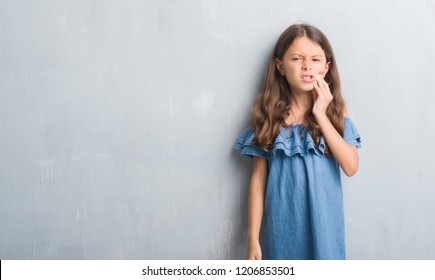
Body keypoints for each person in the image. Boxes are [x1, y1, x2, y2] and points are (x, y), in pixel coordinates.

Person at [235, 23, 361, 260]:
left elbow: (351, 166)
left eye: (315, 59)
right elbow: (259, 180)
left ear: (326, 67)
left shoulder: (336, 113)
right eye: (297, 58)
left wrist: (320, 114)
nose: (307, 65)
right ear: (281, 66)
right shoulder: (269, 116)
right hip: (282, 231)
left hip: (325, 231)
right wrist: (253, 239)